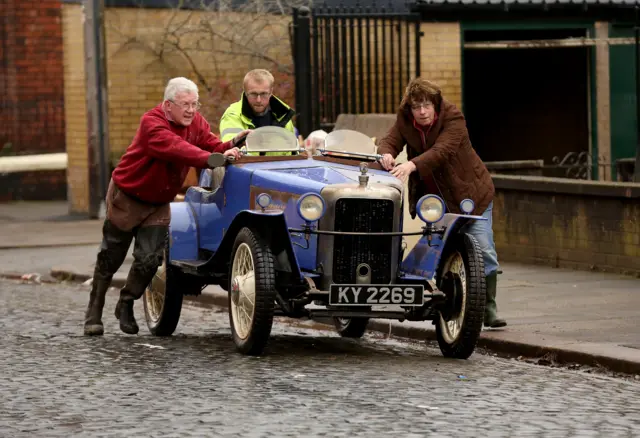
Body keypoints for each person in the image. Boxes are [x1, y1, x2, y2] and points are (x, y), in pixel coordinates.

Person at [83, 77, 249, 336]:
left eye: (195, 104)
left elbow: (211, 144)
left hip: (159, 201)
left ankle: (126, 302)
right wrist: (212, 158)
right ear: (167, 105)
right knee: (110, 257)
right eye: (185, 104)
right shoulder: (152, 123)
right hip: (127, 196)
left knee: (150, 261)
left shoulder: (195, 122)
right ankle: (94, 312)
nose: (191, 110)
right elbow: (178, 149)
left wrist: (232, 144)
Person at [377, 77, 507, 329]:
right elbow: (390, 140)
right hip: (435, 203)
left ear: (435, 104)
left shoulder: (453, 118)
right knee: (437, 254)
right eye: (417, 107)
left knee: (484, 252)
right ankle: (444, 305)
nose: (422, 111)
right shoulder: (405, 121)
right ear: (410, 109)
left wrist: (412, 165)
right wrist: (386, 154)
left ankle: (488, 307)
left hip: (471, 196)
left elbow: (443, 151)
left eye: (426, 105)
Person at [219, 69, 296, 156]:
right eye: (253, 94)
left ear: (271, 92)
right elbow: (233, 149)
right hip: (246, 168)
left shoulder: (283, 116)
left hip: (281, 168)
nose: (258, 100)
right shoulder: (233, 115)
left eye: (263, 94)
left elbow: (293, 153)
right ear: (245, 91)